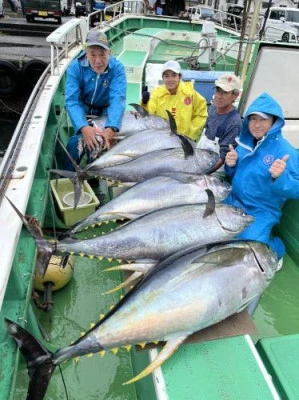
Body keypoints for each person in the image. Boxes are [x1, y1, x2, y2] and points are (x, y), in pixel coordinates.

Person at [224, 92, 299, 263]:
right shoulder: (243, 144)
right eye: (253, 119)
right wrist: (231, 165)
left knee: (251, 246)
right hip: (234, 200)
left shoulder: (286, 151)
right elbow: (235, 176)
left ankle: (276, 247)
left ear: (274, 122)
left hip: (261, 209)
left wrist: (281, 177)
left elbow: (297, 188)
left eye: (263, 119)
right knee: (209, 225)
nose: (256, 125)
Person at [64, 30, 127, 172]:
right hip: (83, 110)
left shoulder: (117, 68)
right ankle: (67, 177)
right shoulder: (75, 67)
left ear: (109, 53)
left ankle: (94, 177)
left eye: (102, 54)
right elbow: (72, 100)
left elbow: (118, 99)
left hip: (105, 111)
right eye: (92, 54)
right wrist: (83, 127)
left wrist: (111, 127)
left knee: (99, 143)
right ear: (86, 52)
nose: (98, 61)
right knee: (75, 143)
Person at [141, 60, 207, 141]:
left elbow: (201, 115)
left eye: (174, 75)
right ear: (163, 78)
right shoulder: (156, 93)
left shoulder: (190, 94)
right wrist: (144, 103)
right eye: (167, 76)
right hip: (161, 139)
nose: (170, 79)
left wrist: (189, 135)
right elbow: (150, 114)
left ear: (180, 77)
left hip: (184, 140)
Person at [197, 73, 242, 172]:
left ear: (235, 95)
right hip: (200, 160)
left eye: (225, 92)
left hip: (215, 172)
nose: (218, 96)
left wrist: (202, 175)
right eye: (218, 90)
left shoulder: (234, 123)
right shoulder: (212, 108)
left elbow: (222, 157)